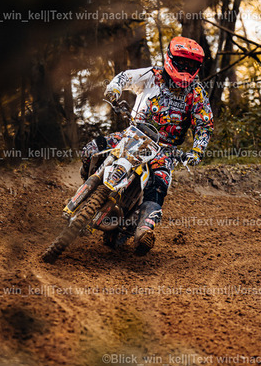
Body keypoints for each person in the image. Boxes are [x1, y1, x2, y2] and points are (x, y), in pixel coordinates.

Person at [80, 36, 214, 255]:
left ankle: (144, 230)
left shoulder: (196, 93)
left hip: (165, 149)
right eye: (182, 63)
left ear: (197, 67)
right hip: (134, 134)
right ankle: (88, 194)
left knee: (159, 183)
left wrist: (197, 150)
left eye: (191, 65)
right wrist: (114, 89)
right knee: (91, 150)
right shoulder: (153, 75)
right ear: (170, 59)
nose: (185, 68)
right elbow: (126, 76)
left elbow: (204, 125)